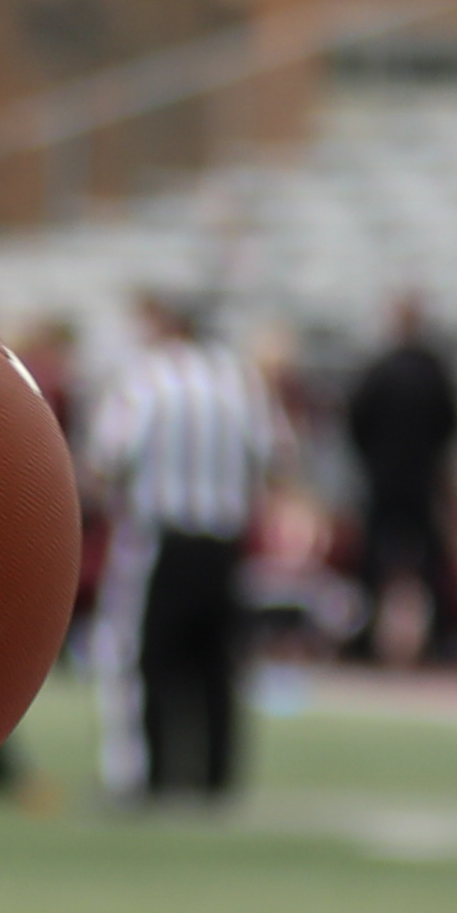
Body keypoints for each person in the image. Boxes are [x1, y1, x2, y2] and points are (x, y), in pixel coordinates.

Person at [84, 293, 291, 804]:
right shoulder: (238, 379)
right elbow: (276, 457)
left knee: (147, 664)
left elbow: (107, 458)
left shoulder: (144, 377)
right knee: (216, 668)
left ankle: (149, 779)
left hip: (161, 541)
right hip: (223, 542)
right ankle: (217, 779)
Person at [344, 297, 457, 668]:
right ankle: (441, 635)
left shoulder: (380, 370)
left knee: (372, 558)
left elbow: (355, 421)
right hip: (421, 480)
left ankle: (365, 633)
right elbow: (452, 423)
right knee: (429, 558)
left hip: (384, 479)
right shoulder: (434, 371)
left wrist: (374, 461)